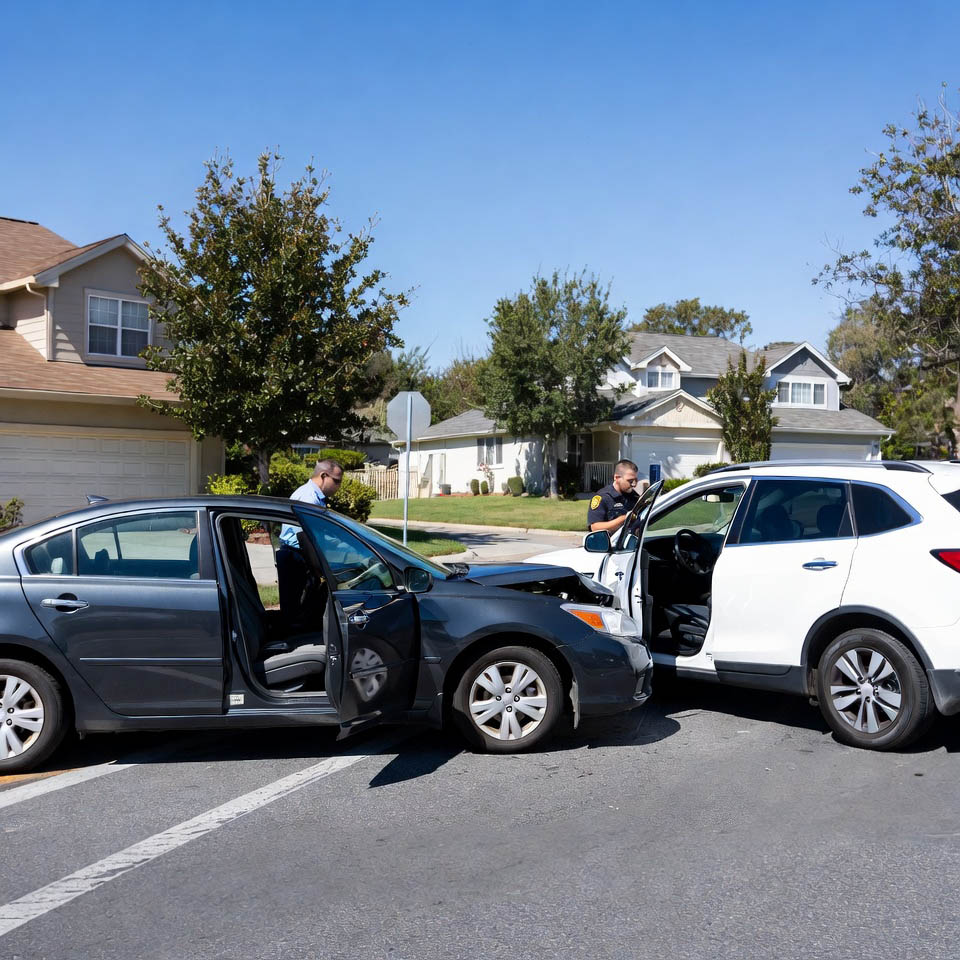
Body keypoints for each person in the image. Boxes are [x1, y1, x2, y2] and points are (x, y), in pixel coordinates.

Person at [276, 459, 343, 625]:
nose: (338, 486)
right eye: (336, 481)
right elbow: (305, 537)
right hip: (295, 557)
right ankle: (293, 645)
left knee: (302, 607)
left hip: (298, 555)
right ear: (323, 475)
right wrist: (318, 569)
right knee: (293, 610)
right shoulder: (308, 498)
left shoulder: (314, 497)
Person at [587, 459, 641, 533]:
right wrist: (623, 519)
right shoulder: (603, 497)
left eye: (636, 480)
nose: (634, 484)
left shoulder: (634, 496)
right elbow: (595, 527)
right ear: (616, 478)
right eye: (630, 481)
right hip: (611, 543)